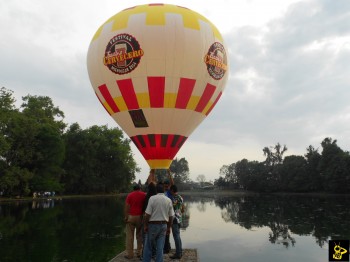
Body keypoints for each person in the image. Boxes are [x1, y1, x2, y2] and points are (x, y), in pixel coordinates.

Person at [143, 184, 174, 262]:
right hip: (164, 225)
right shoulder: (168, 200)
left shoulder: (152, 198)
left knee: (148, 246)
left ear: (156, 191)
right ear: (164, 190)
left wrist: (146, 225)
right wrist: (169, 227)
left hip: (153, 225)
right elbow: (171, 216)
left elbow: (147, 214)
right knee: (160, 248)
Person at [124, 183, 146, 259]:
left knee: (129, 236)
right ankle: (139, 253)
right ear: (140, 188)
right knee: (139, 236)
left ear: (133, 189)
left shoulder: (130, 195)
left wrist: (126, 217)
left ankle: (130, 254)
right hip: (140, 217)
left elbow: (127, 207)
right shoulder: (144, 195)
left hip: (131, 217)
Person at [169, 185, 184, 259]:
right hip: (180, 218)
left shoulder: (174, 198)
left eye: (170, 190)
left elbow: (173, 207)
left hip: (175, 218)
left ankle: (178, 253)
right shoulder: (180, 197)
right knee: (178, 235)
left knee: (176, 236)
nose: (169, 191)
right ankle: (180, 251)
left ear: (172, 190)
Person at [163, 169, 174, 254]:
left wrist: (169, 173)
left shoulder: (170, 192)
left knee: (167, 230)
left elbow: (172, 183)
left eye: (167, 185)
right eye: (165, 185)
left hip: (169, 213)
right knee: (164, 231)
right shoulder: (161, 192)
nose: (166, 186)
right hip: (163, 213)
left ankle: (167, 247)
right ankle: (166, 246)